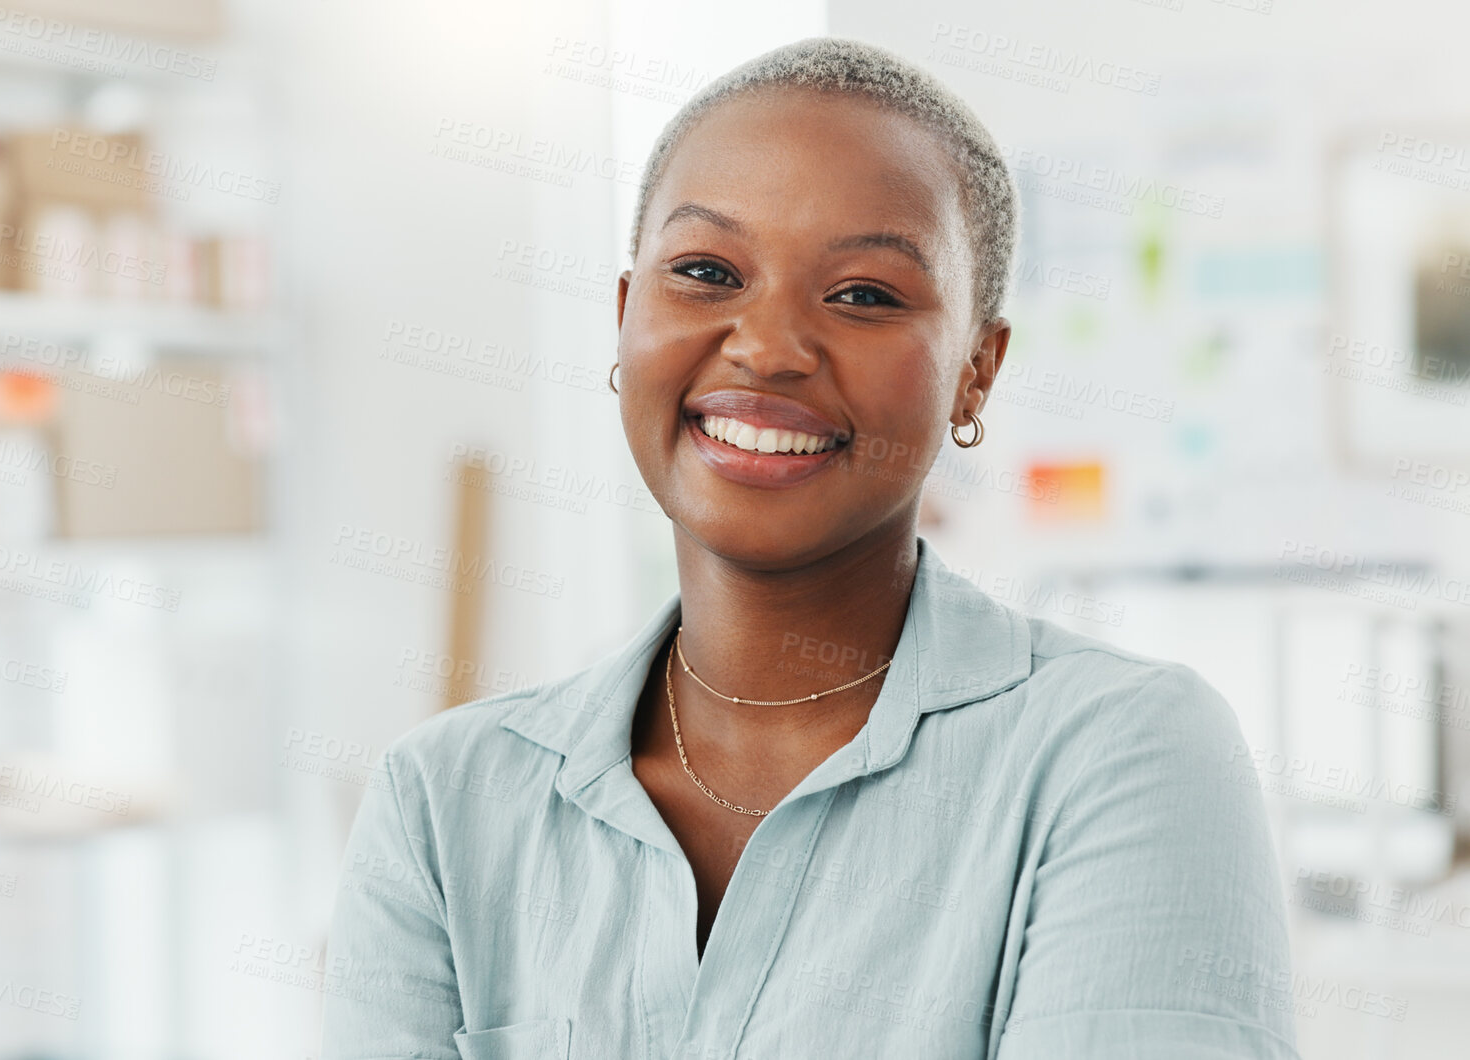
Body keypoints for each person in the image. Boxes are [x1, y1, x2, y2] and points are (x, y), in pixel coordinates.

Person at [320, 36, 1299, 1060]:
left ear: (975, 371)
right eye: (705, 272)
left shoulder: (1117, 755)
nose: (767, 347)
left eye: (864, 293)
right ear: (622, 321)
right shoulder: (444, 801)